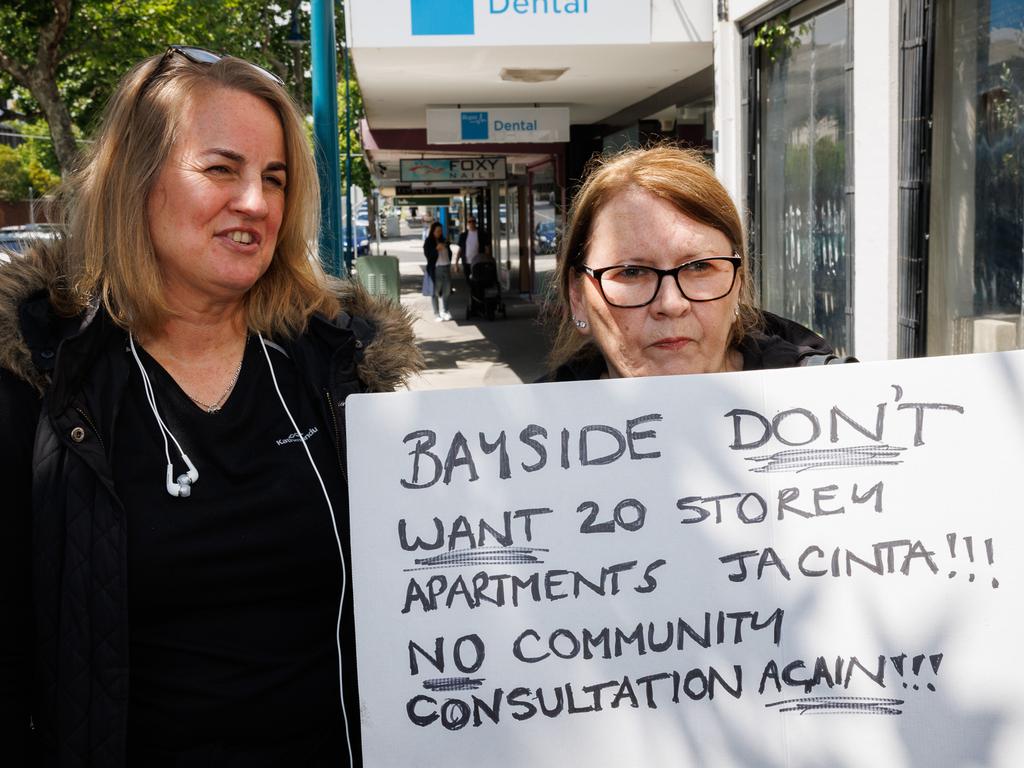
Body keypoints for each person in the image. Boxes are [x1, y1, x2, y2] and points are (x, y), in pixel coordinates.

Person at [0, 47, 421, 767]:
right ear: (135, 182)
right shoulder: (39, 386)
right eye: (222, 169)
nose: (255, 203)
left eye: (275, 179)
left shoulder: (336, 371)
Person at [543, 145, 852, 381]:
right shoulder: (521, 446)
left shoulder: (833, 403)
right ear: (577, 296)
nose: (672, 304)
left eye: (699, 267)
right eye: (632, 272)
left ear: (738, 284)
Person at [423, 221, 453, 321]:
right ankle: (437, 313)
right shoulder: (429, 241)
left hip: (446, 267)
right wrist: (436, 249)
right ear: (433, 231)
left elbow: (449, 252)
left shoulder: (444, 240)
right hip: (436, 268)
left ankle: (445, 311)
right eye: (437, 231)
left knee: (447, 291)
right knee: (435, 292)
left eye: (440, 231)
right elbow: (428, 255)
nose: (439, 233)